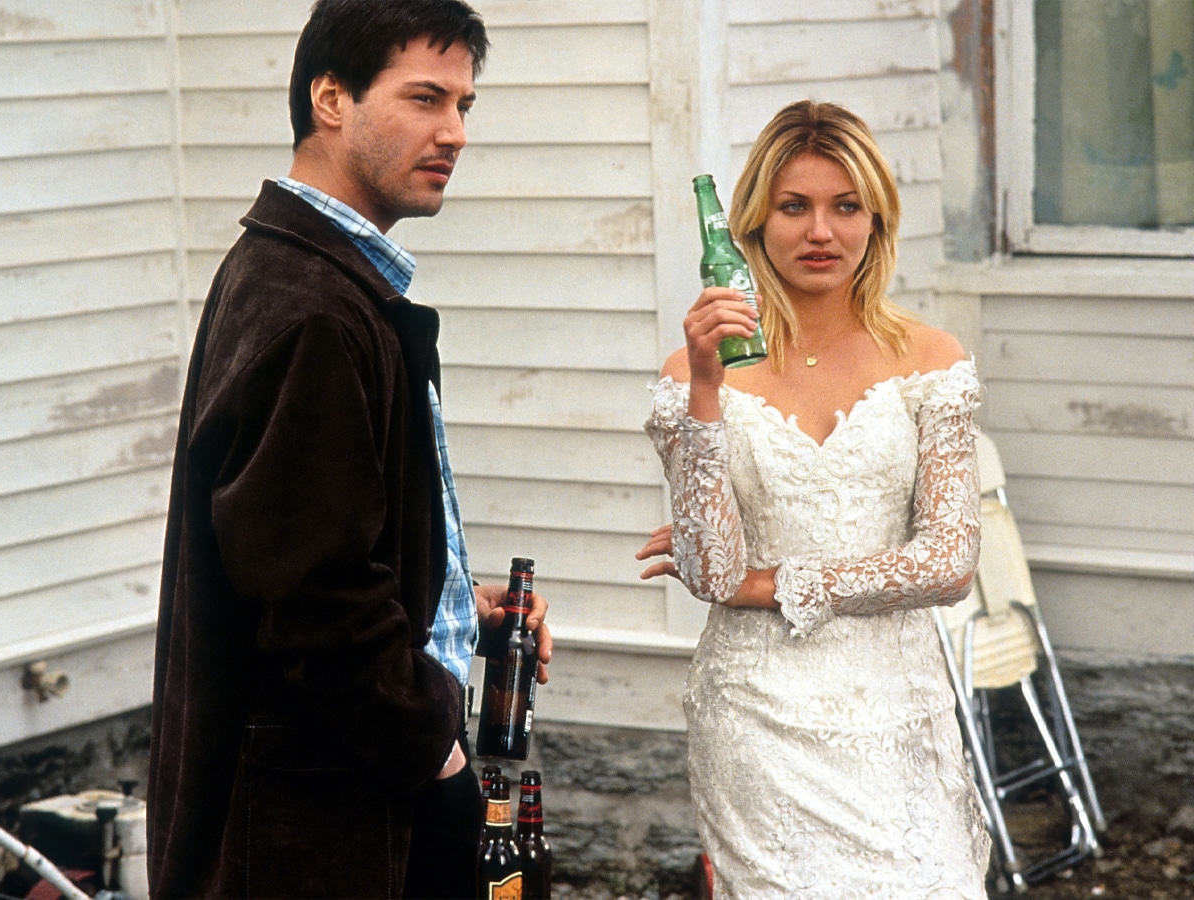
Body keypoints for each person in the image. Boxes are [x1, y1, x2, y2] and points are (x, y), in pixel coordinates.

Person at [147, 2, 551, 897]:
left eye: (464, 107)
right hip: (310, 831)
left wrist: (450, 601)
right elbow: (316, 600)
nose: (453, 133)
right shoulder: (313, 308)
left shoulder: (306, 274)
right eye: (424, 99)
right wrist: (435, 755)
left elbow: (299, 536)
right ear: (331, 97)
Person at [637, 100, 991, 898]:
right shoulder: (693, 373)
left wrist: (780, 583)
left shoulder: (932, 360)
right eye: (794, 207)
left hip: (900, 717)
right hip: (759, 720)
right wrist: (702, 387)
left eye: (845, 206)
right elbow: (715, 569)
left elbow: (950, 563)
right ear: (754, 223)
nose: (820, 231)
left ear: (877, 219)